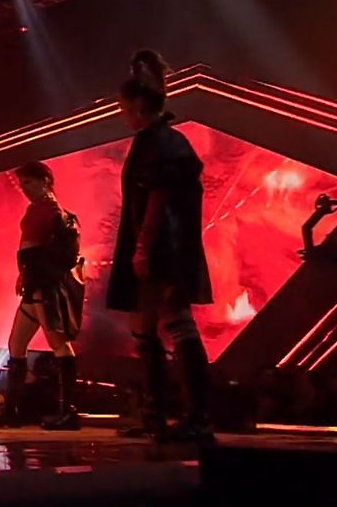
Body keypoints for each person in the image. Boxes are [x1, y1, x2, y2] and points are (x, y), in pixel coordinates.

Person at [107, 49, 214, 443]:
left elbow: (159, 196)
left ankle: (196, 417)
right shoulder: (159, 142)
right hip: (159, 246)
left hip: (163, 248)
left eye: (123, 107)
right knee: (146, 327)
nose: (122, 114)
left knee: (175, 324)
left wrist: (143, 247)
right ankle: (157, 415)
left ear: (138, 104)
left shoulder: (161, 143)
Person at [0, 161, 86, 430]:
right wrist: (25, 275)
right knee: (17, 344)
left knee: (58, 343)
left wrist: (31, 275)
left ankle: (68, 411)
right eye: (22, 184)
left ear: (45, 181)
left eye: (28, 182)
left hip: (44, 285)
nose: (24, 188)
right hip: (36, 284)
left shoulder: (51, 211)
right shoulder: (41, 210)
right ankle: (12, 410)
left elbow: (47, 252)